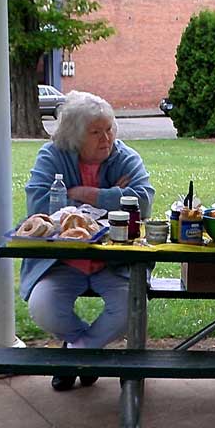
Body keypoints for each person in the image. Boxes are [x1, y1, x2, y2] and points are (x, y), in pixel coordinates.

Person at [21, 90, 155, 391]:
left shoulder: (125, 157)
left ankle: (76, 355)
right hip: (63, 261)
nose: (106, 138)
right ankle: (89, 353)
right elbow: (39, 206)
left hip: (115, 262)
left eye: (109, 129)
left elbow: (143, 202)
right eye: (95, 132)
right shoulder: (52, 155)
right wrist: (116, 197)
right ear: (75, 136)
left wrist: (85, 194)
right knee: (44, 308)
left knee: (129, 310)